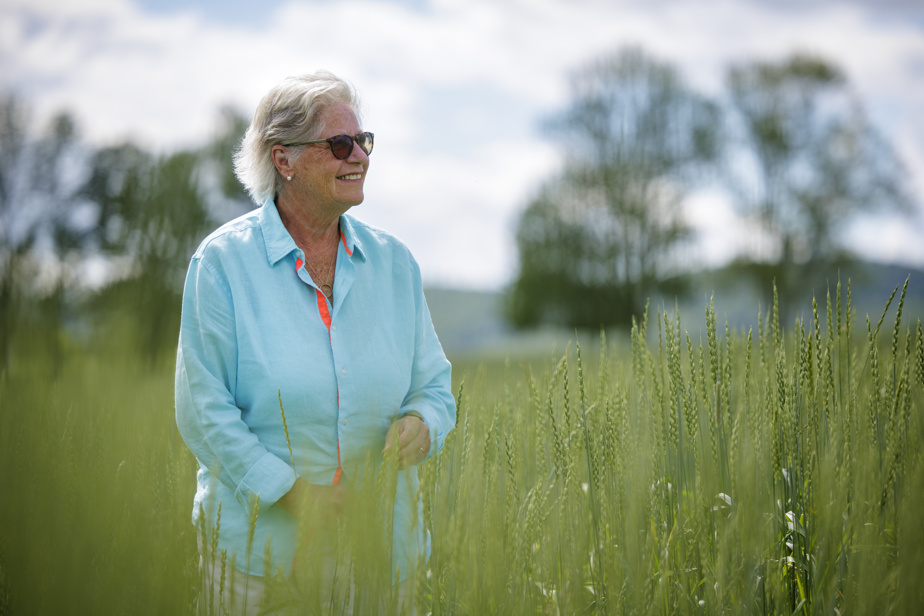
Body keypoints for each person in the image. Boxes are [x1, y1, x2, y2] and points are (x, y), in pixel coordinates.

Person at [175, 71, 456, 614]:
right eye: (340, 144)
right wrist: (290, 493)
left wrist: (423, 424)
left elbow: (435, 388)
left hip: (380, 557)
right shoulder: (222, 264)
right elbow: (202, 410)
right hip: (259, 564)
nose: (360, 156)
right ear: (284, 160)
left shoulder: (395, 265)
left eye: (363, 142)